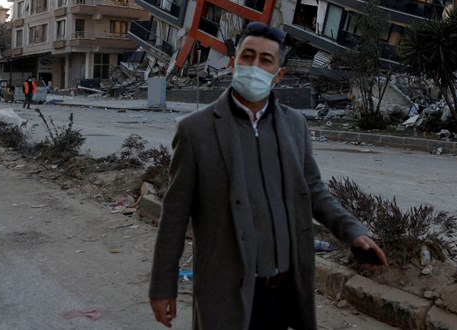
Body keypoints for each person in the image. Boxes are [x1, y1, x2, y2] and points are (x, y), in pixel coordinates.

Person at [149, 22, 386, 329]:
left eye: (266, 60)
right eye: (247, 56)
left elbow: (313, 189)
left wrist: (353, 231)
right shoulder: (196, 130)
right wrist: (163, 285)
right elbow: (175, 215)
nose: (255, 67)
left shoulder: (294, 125)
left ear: (279, 74)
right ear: (233, 63)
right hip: (226, 292)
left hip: (282, 291)